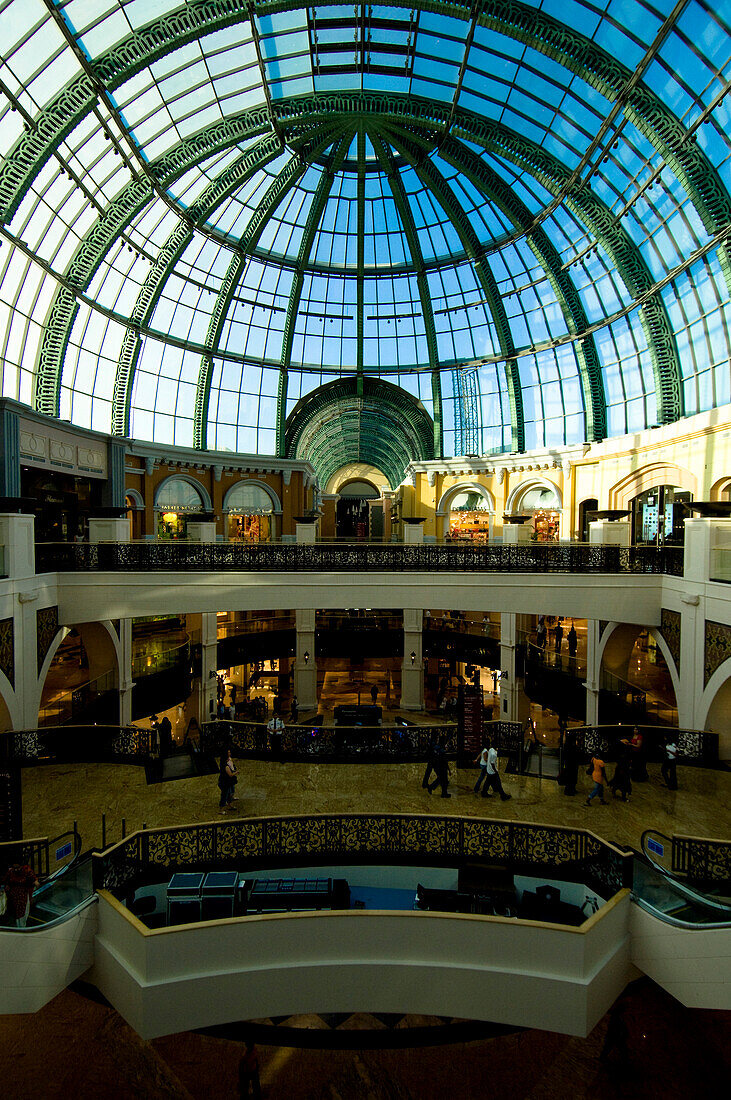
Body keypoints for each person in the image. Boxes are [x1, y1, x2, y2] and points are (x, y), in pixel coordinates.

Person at [3, 863, 38, 927]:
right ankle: (20, 926)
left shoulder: (26, 871)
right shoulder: (11, 872)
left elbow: (32, 878)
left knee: (23, 913)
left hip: (23, 895)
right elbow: (6, 881)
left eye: (17, 868)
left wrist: (35, 881)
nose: (16, 870)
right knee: (18, 913)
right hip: (15, 896)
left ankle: (21, 926)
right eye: (15, 868)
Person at [560, 729, 580, 796]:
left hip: (570, 765)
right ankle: (570, 790)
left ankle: (571, 789)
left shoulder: (567, 747)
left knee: (571, 778)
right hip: (571, 765)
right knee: (571, 778)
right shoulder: (572, 748)